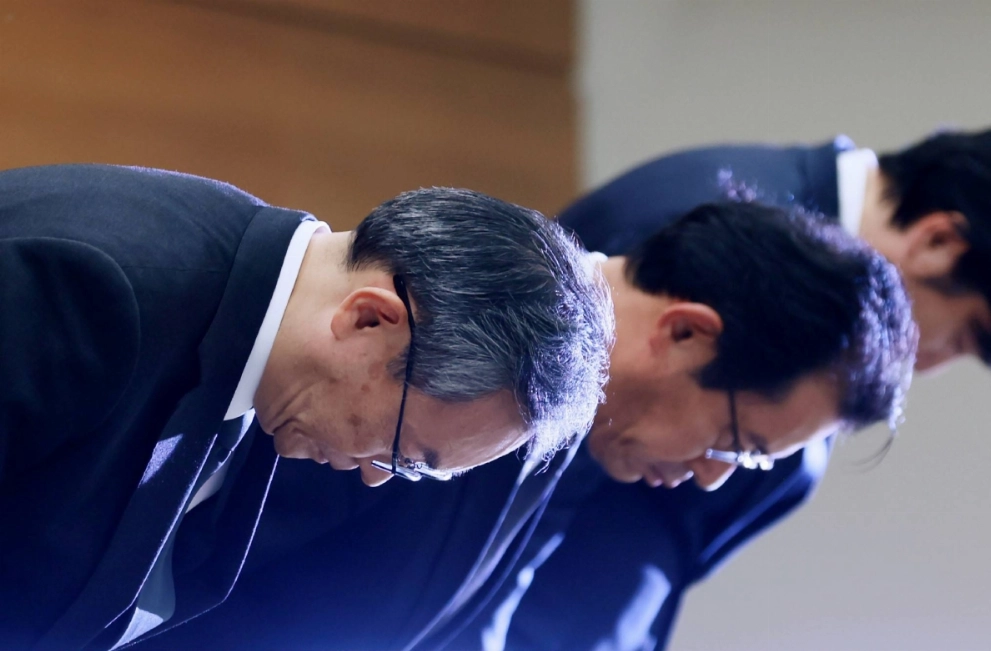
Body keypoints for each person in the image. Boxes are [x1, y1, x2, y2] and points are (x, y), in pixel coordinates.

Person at [136, 200, 916, 650]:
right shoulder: (471, 345)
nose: (710, 477)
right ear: (686, 332)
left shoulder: (577, 431)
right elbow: (189, 552)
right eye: (732, 445)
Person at [0, 163, 614, 650]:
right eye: (404, 454)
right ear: (370, 319)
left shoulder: (253, 351)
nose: (376, 475)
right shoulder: (97, 283)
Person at [462, 128, 991, 650]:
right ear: (937, 241)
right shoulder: (708, 234)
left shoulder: (832, 320)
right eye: (964, 336)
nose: (931, 365)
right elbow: (518, 506)